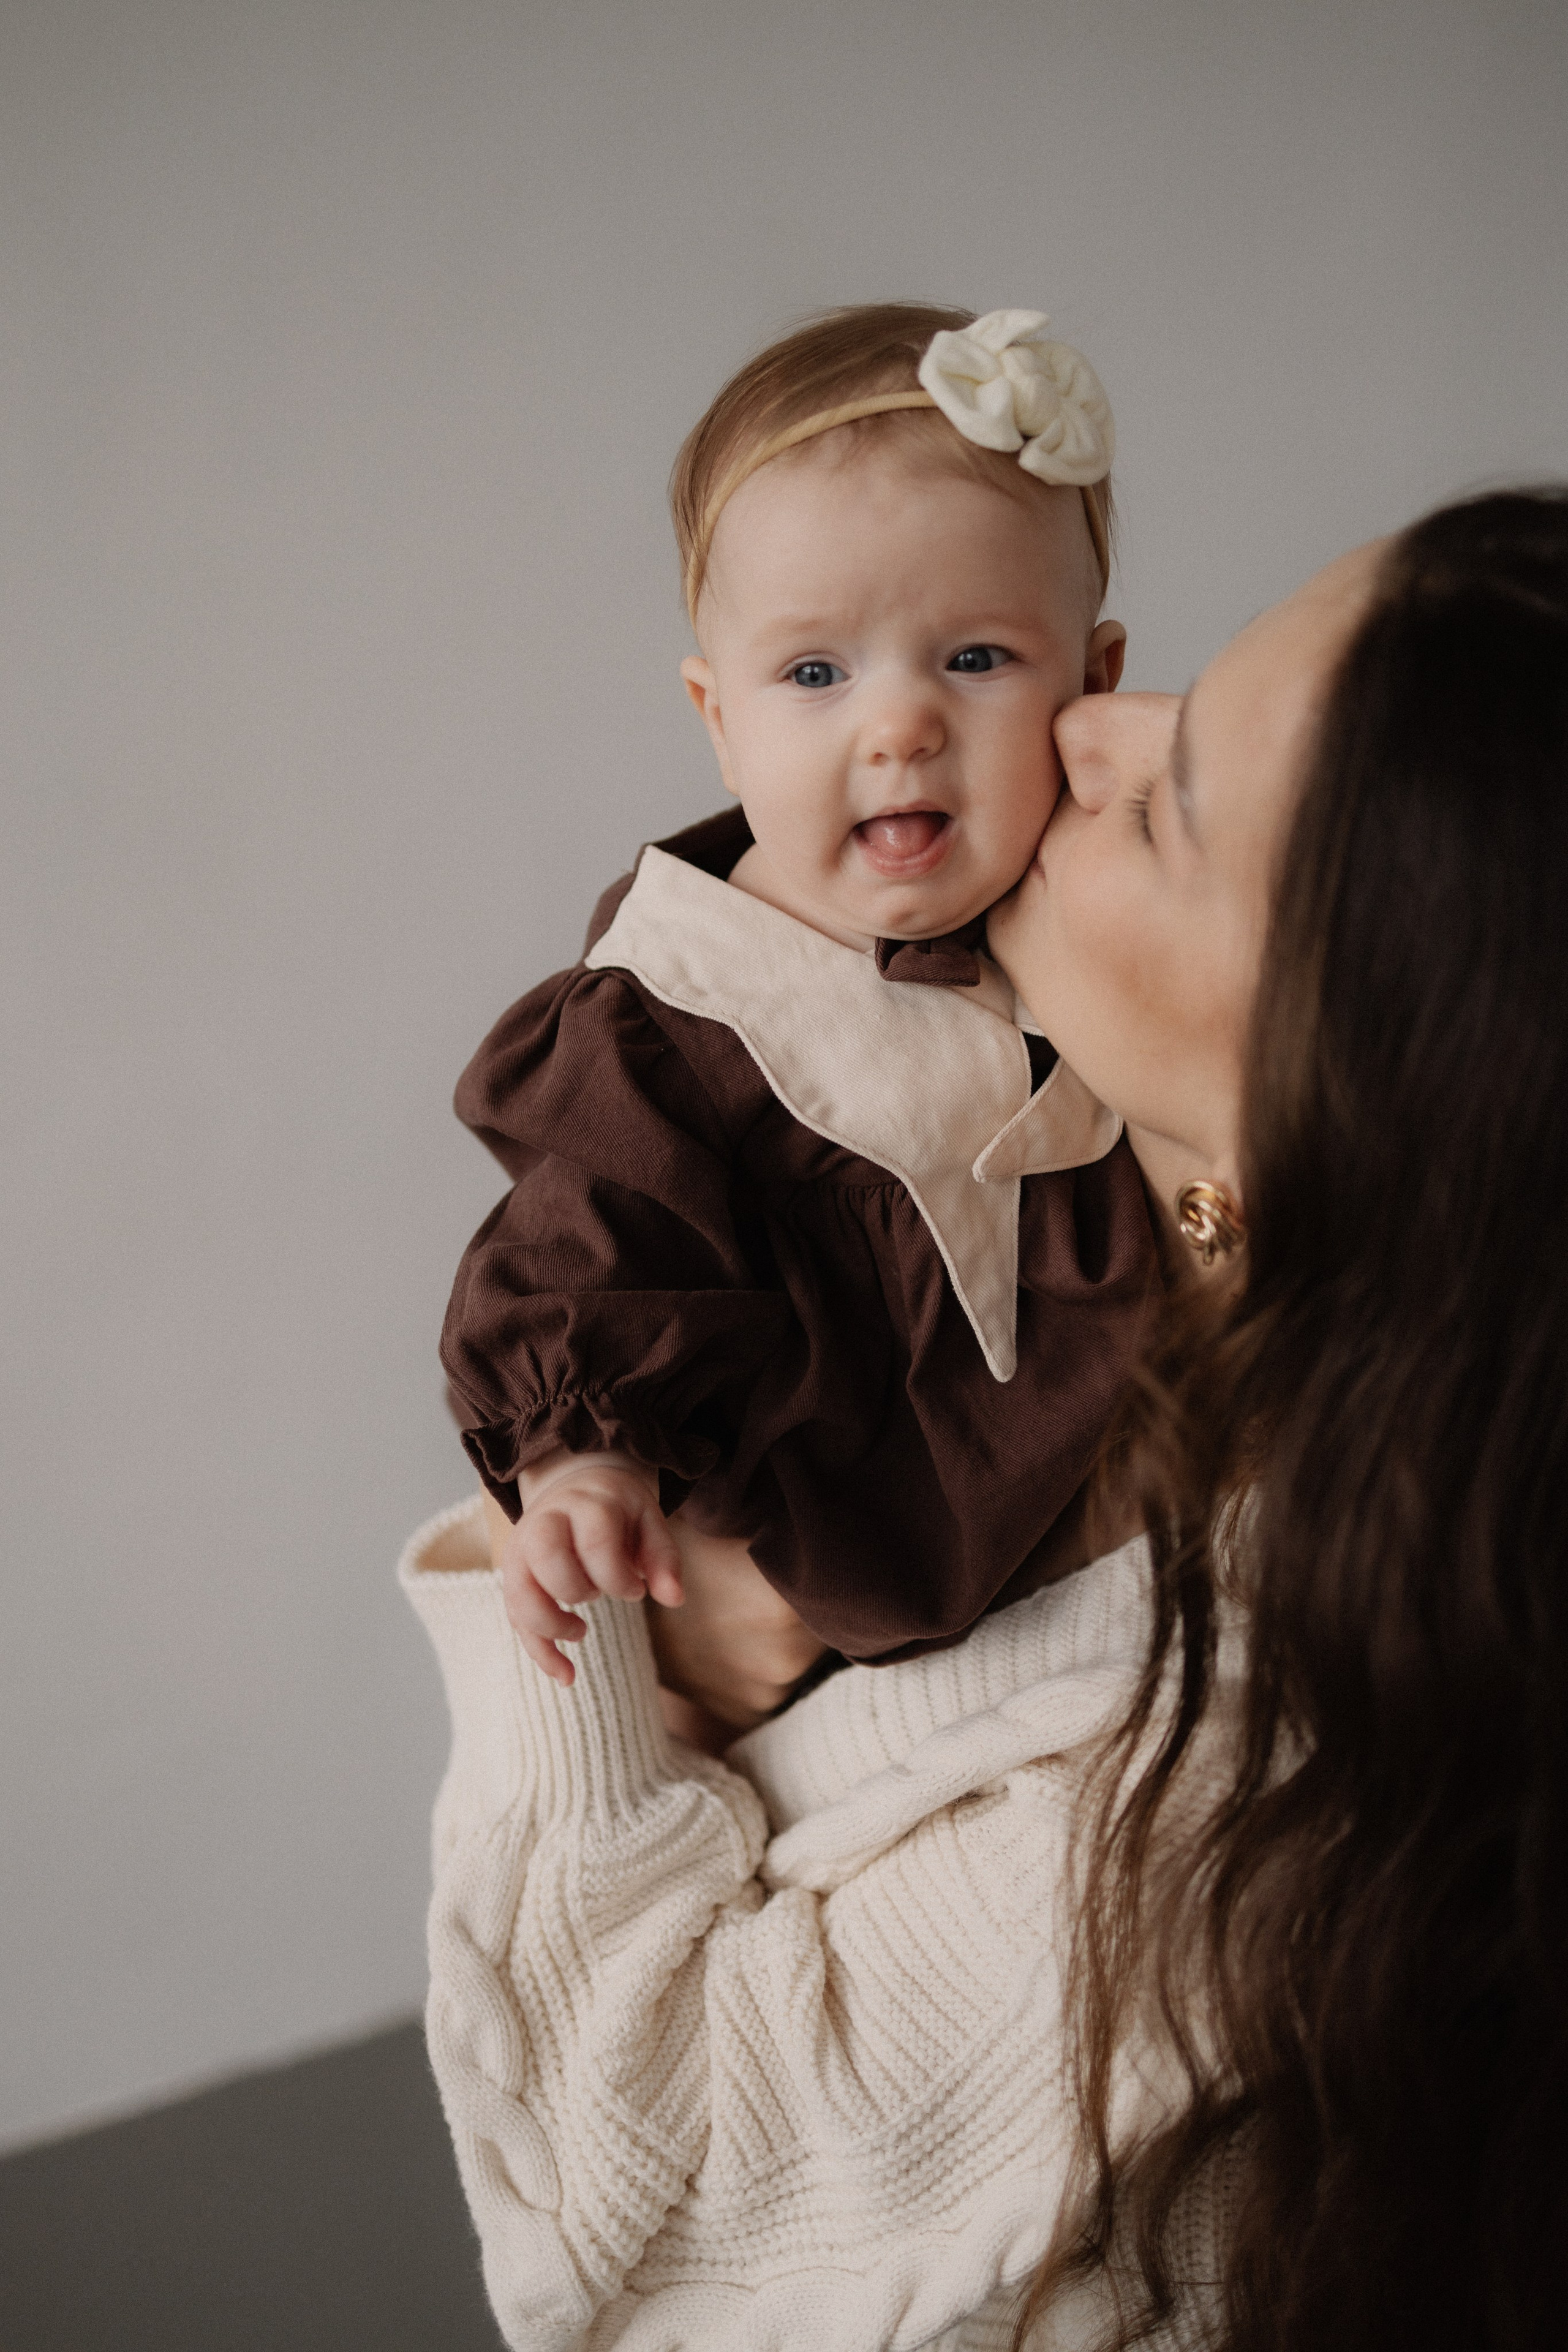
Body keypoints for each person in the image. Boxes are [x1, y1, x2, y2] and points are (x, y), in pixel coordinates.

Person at [405, 486, 1568, 2351]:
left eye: (1164, 800)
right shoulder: (1044, 1247)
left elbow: (629, 2219)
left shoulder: (1242, 1780)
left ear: (1330, 1095)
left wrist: (613, 1665)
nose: (1079, 726)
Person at [439, 303, 1156, 1690]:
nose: (898, 726)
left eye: (975, 659)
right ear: (720, 716)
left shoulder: (1123, 918)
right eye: (815, 674)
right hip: (801, 1629)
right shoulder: (677, 1009)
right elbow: (597, 1248)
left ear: (1096, 683)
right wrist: (587, 1464)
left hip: (1097, 1584)